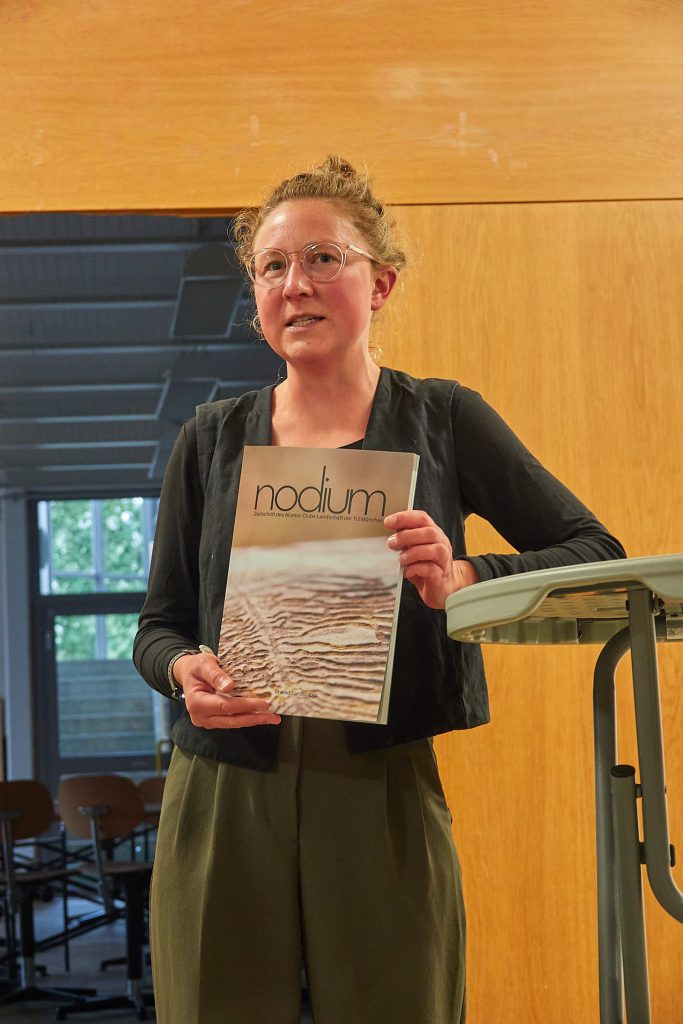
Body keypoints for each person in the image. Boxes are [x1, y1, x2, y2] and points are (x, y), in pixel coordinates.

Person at [133, 155, 625, 1024]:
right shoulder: (210, 439)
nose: (295, 283)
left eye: (322, 257)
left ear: (381, 282)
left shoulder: (442, 418)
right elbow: (158, 627)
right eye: (272, 266)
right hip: (221, 786)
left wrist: (464, 576)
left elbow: (593, 550)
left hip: (379, 782)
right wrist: (182, 673)